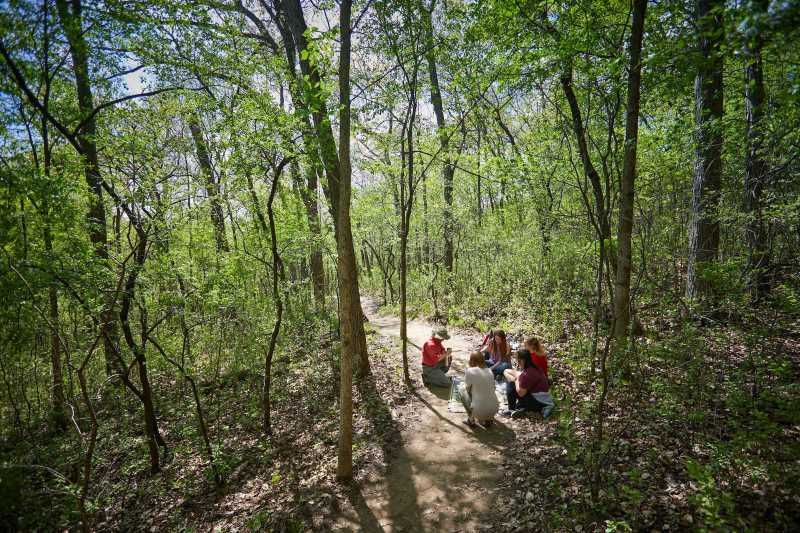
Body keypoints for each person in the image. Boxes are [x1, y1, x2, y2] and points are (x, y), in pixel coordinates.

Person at [501, 349, 554, 418]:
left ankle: (511, 409)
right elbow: (519, 374)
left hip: (539, 404)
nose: (517, 363)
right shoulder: (534, 367)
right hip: (542, 400)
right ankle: (521, 408)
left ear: (522, 361)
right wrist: (507, 372)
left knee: (511, 384)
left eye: (518, 361)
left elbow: (521, 393)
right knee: (513, 381)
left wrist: (515, 380)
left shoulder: (528, 374)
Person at [459, 351, 500, 427]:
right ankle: (488, 420)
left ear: (471, 361)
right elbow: (493, 388)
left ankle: (471, 420)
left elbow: (467, 389)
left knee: (461, 389)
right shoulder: (489, 371)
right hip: (494, 409)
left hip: (479, 411)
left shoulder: (470, 371)